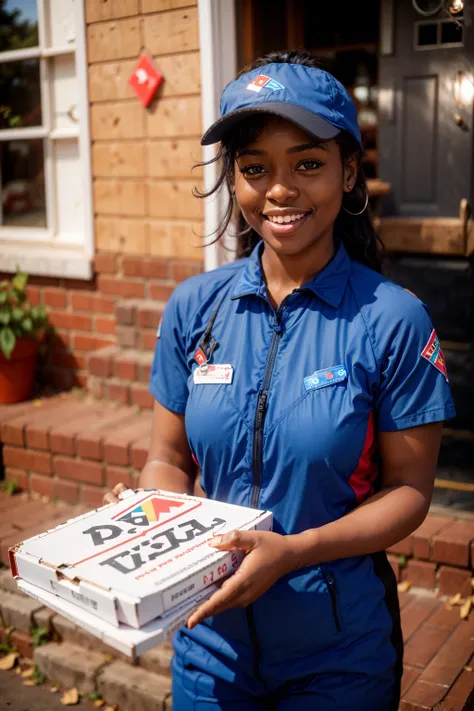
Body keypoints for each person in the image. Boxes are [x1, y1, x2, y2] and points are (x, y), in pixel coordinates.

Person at [104, 51, 455, 710]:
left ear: (350, 172)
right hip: (209, 644)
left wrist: (296, 551)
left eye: (309, 163)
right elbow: (166, 458)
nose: (280, 189)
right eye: (255, 167)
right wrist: (150, 516)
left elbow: (410, 491)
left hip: (338, 654)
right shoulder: (193, 308)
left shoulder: (394, 320)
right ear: (233, 180)